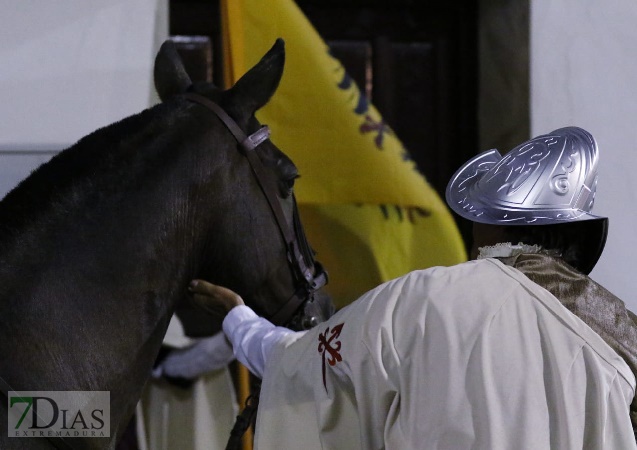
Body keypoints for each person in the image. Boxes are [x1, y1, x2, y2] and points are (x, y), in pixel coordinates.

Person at [189, 126, 637, 449]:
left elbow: (298, 363)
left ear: (488, 227)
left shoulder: (421, 300)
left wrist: (237, 319)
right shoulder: (616, 341)